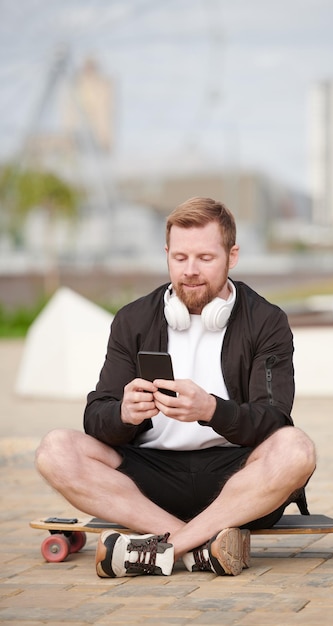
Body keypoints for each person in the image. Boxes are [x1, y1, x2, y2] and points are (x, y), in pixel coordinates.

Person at [35, 196, 316, 578]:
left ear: (232, 256)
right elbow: (96, 417)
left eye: (205, 258)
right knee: (55, 449)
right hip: (148, 479)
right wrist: (123, 413)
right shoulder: (133, 319)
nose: (190, 271)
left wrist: (212, 411)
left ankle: (161, 548)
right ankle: (198, 545)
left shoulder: (266, 321)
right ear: (167, 253)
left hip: (236, 477)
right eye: (180, 258)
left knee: (297, 448)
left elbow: (273, 419)